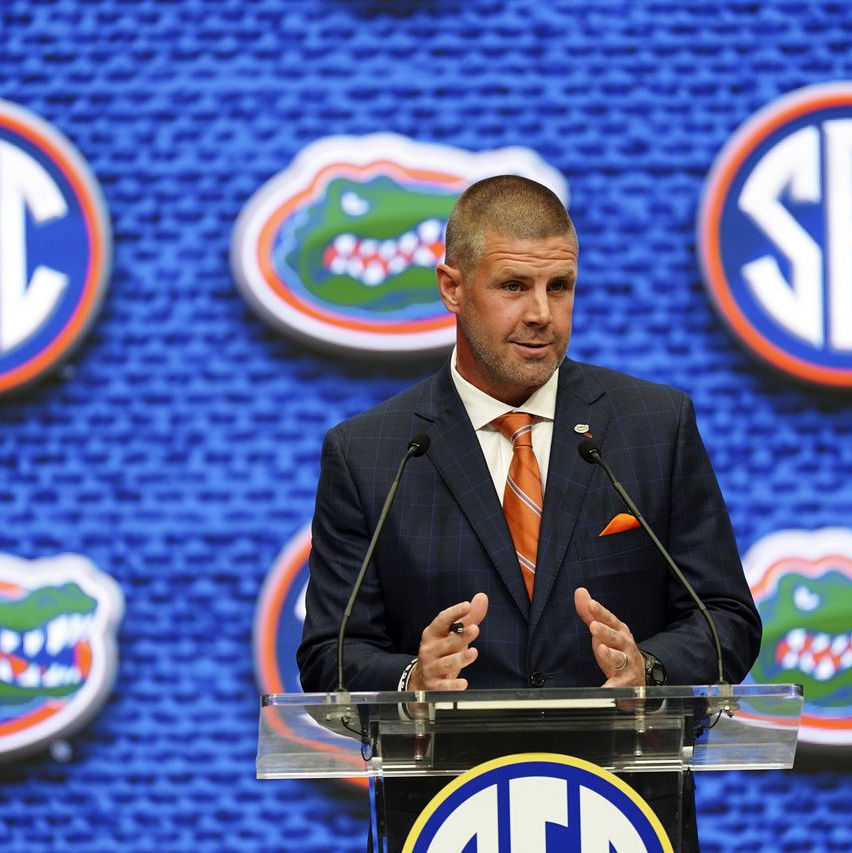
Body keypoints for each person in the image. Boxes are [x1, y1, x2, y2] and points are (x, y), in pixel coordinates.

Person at [297, 175, 761, 850]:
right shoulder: (374, 452)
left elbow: (727, 618)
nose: (542, 312)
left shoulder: (651, 428)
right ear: (453, 287)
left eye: (561, 286)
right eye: (514, 286)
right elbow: (329, 654)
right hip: (444, 817)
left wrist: (649, 668)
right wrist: (410, 680)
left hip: (626, 813)